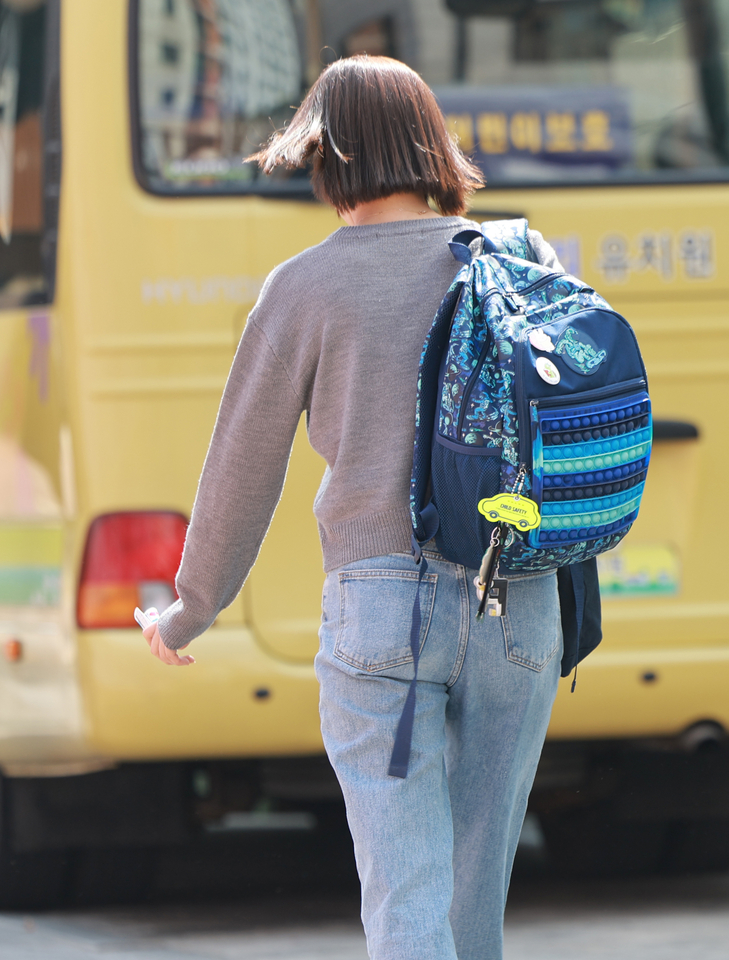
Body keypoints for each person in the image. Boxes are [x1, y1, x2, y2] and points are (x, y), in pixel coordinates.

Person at [139, 55, 565, 960]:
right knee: (470, 906)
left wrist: (190, 609)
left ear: (327, 160)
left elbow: (242, 467)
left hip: (386, 615)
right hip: (521, 603)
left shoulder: (304, 287)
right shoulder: (521, 256)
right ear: (432, 143)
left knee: (406, 898)